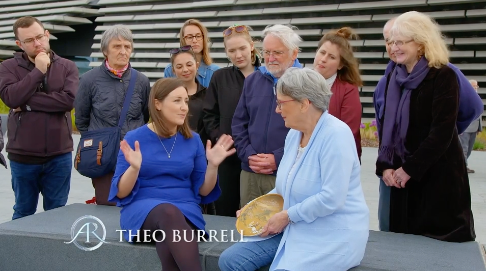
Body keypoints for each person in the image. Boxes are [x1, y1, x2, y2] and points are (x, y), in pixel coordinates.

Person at [219, 68, 369, 271]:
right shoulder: (293, 135)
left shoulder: (336, 135)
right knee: (229, 260)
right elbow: (284, 188)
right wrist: (255, 208)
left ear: (304, 103)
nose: (277, 110)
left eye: (281, 103)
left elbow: (332, 198)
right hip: (296, 226)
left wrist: (287, 216)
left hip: (331, 235)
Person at [108, 78, 235, 271]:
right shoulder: (134, 138)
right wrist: (134, 168)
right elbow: (122, 193)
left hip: (185, 209)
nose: (184, 107)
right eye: (177, 101)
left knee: (169, 236)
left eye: (186, 101)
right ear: (157, 104)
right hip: (144, 210)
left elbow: (203, 189)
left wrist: (213, 166)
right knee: (168, 213)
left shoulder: (194, 140)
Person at [374, 16, 483, 232]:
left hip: (437, 180)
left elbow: (442, 132)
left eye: (400, 42)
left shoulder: (444, 76)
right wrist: (386, 167)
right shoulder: (392, 78)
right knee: (402, 247)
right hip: (400, 181)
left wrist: (409, 169)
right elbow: (386, 129)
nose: (393, 48)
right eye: (391, 43)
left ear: (421, 43)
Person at [0, 16, 78, 220]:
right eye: (29, 41)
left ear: (47, 34)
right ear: (19, 44)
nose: (37, 43)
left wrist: (26, 103)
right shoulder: (8, 67)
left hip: (58, 154)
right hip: (23, 156)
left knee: (57, 213)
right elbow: (11, 98)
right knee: (24, 212)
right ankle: (19, 253)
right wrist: (38, 71)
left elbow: (68, 102)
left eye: (39, 37)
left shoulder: (67, 66)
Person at [75, 25, 151, 206]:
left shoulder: (141, 80)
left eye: (127, 46)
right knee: (106, 205)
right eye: (117, 46)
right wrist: (101, 141)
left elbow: (146, 115)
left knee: (137, 204)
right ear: (105, 50)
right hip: (103, 156)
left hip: (133, 153)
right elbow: (81, 120)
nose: (123, 51)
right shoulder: (88, 79)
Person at [232, 24, 303, 207]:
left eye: (277, 53)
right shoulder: (253, 80)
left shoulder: (305, 83)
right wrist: (249, 155)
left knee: (284, 229)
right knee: (249, 228)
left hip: (287, 173)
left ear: (294, 53)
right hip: (250, 172)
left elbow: (309, 130)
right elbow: (239, 123)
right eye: (266, 52)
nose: (270, 58)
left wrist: (277, 159)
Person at [203, 24, 261, 216]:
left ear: (251, 46)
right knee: (226, 209)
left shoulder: (266, 76)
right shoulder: (220, 77)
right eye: (232, 50)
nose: (238, 55)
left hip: (258, 158)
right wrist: (221, 139)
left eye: (242, 48)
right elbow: (209, 114)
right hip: (228, 158)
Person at [314, 27, 362, 159]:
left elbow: (348, 132)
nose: (323, 59)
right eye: (322, 52)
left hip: (335, 157)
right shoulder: (301, 81)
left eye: (331, 57)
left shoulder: (348, 90)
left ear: (340, 65)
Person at [169, 45, 209, 143]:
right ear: (173, 70)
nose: (185, 70)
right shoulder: (166, 96)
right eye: (179, 67)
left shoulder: (208, 95)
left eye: (189, 65)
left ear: (197, 65)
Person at [164, 19, 219, 87]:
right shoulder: (170, 70)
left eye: (198, 36)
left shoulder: (214, 72)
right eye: (189, 37)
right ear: (183, 40)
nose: (194, 40)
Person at [459, 79, 482, 173]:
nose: (475, 88)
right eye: (473, 86)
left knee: (469, 149)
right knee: (464, 148)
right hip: (466, 128)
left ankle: (464, 164)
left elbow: (479, 113)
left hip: (474, 128)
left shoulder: (477, 97)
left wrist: (479, 127)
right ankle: (463, 167)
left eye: (476, 86)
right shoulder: (464, 97)